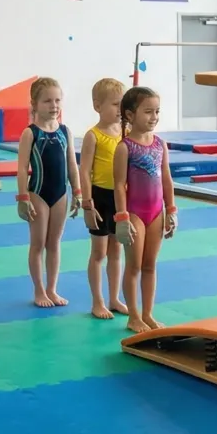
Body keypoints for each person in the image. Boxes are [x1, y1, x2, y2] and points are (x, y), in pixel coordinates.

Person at [113, 85, 177, 334]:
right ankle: (134, 316)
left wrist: (171, 210)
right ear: (130, 115)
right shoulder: (125, 147)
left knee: (150, 265)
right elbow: (119, 185)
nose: (154, 117)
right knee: (134, 266)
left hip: (156, 213)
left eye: (157, 111)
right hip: (135, 214)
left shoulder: (160, 144)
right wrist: (122, 218)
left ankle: (148, 313)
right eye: (148, 111)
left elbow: (166, 179)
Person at [15, 78, 82, 308]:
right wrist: (22, 198)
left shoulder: (65, 131)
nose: (54, 105)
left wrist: (78, 192)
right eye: (47, 101)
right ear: (34, 103)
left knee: (54, 243)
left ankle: (52, 289)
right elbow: (22, 168)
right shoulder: (30, 133)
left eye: (57, 100)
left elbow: (72, 164)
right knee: (38, 243)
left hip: (61, 193)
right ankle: (39, 290)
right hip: (38, 194)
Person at [79, 77, 127, 320]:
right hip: (98, 197)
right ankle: (97, 301)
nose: (120, 110)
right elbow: (84, 171)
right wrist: (86, 203)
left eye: (122, 105)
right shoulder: (93, 136)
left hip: (120, 197)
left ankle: (114, 297)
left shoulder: (125, 133)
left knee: (116, 249)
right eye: (115, 105)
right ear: (98, 106)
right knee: (99, 252)